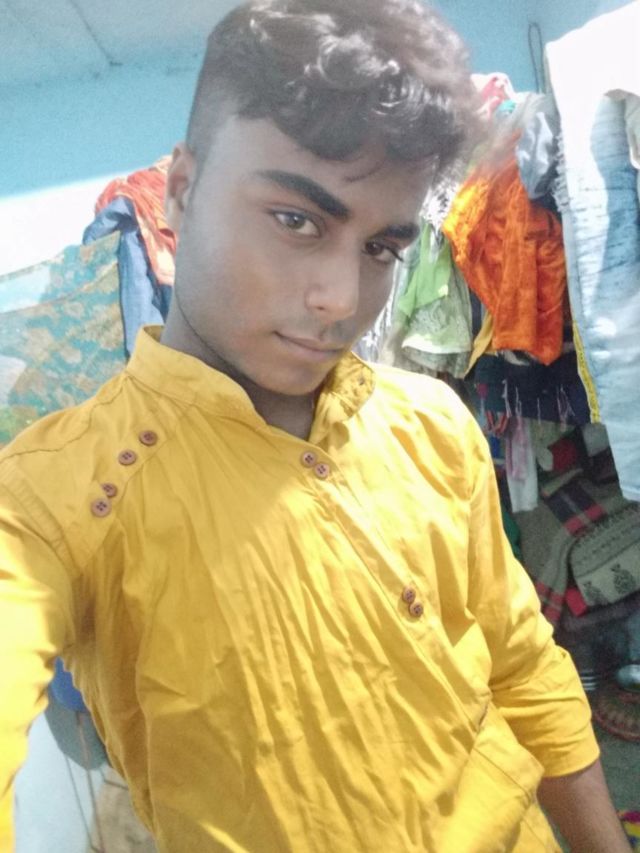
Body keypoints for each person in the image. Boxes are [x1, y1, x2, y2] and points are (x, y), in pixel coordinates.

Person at [0, 1, 631, 850]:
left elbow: (522, 665)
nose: (340, 300)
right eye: (296, 220)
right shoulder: (53, 498)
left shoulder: (433, 424)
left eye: (380, 248)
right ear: (181, 192)